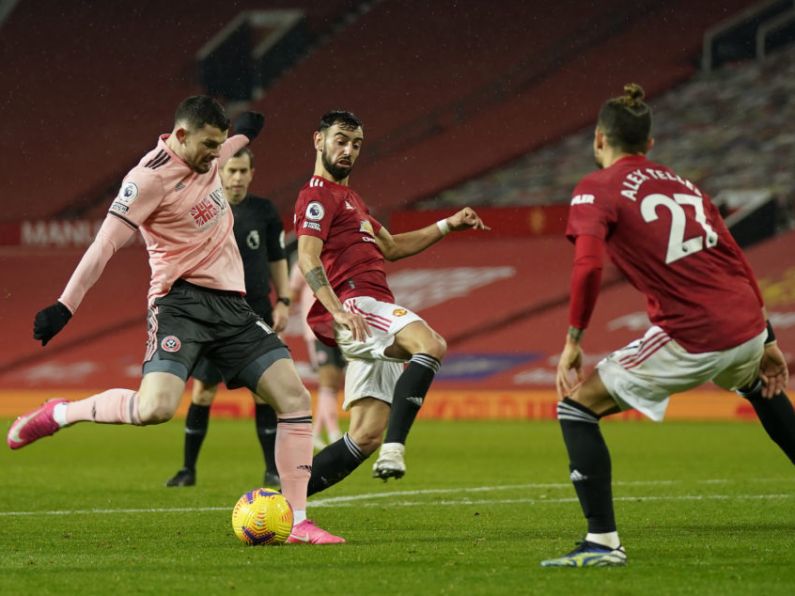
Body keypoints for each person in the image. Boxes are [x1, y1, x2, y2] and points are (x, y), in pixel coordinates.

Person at [8, 96, 343, 544]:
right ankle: (61, 412)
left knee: (294, 398)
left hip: (233, 306)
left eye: (219, 145)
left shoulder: (209, 151)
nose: (216, 157)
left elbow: (230, 144)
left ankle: (298, 520)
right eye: (209, 145)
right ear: (181, 136)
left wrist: (244, 130)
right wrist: (65, 306)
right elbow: (103, 246)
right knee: (156, 409)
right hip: (180, 305)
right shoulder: (146, 180)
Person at [542, 83, 794, 568]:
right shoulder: (685, 184)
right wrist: (768, 338)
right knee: (762, 390)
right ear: (650, 145)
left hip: (695, 331)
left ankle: (602, 543)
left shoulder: (597, 187)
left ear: (599, 139)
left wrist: (574, 339)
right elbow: (735, 259)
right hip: (743, 324)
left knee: (576, 409)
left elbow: (589, 265)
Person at [294, 110, 489, 495]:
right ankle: (395, 450)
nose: (348, 150)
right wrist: (337, 311)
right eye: (340, 140)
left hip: (368, 314)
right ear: (318, 140)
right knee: (431, 344)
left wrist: (449, 224)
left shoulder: (351, 200)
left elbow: (393, 246)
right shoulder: (317, 195)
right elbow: (307, 257)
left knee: (364, 435)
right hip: (356, 306)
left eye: (356, 144)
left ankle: (281, 502)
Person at [165, 147, 290, 489]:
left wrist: (285, 300)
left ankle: (272, 470)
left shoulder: (263, 211)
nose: (236, 178)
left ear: (252, 172)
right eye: (231, 171)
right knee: (203, 391)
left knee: (264, 392)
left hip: (255, 312)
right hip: (213, 313)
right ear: (220, 172)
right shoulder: (204, 209)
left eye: (242, 171)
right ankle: (187, 470)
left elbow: (278, 259)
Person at [289, 261, 345, 450]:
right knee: (328, 380)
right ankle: (334, 433)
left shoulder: (338, 255)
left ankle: (315, 432)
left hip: (339, 326)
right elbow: (292, 291)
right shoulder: (305, 259)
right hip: (317, 328)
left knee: (333, 383)